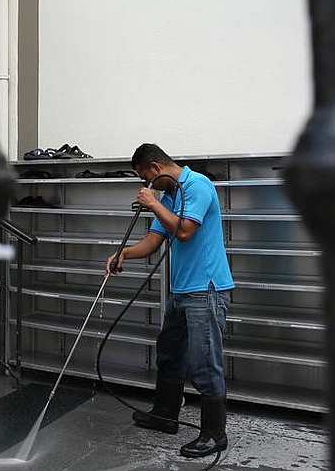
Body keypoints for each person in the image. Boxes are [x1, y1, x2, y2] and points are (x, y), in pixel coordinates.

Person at [106, 143, 234, 459]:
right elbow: (153, 241)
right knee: (170, 351)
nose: (146, 184)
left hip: (206, 288)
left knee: (205, 361)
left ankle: (215, 434)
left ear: (154, 168)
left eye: (145, 177)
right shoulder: (169, 196)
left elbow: (186, 231)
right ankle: (165, 415)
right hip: (181, 290)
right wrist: (123, 254)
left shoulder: (198, 185)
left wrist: (151, 202)